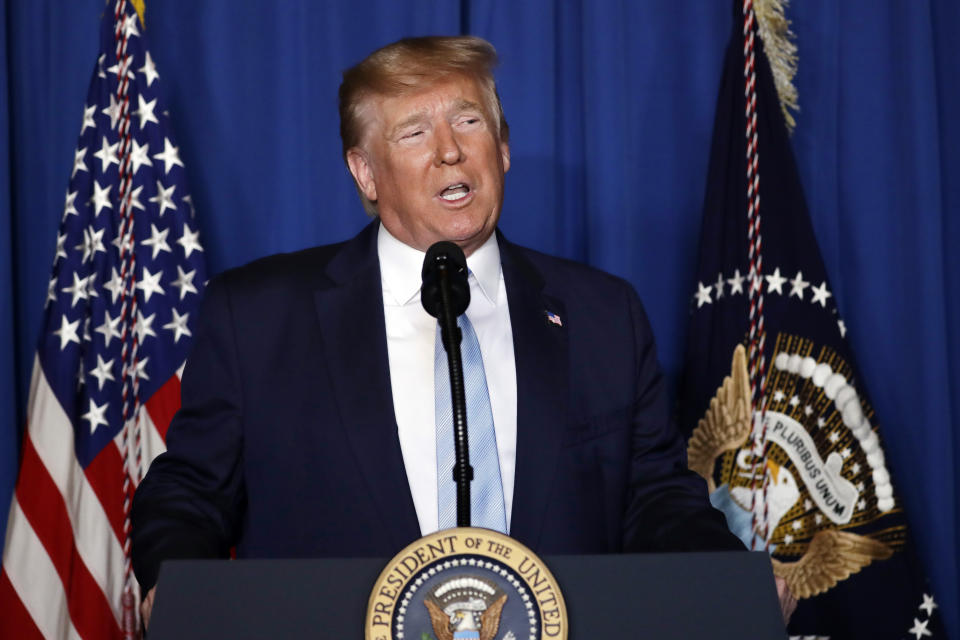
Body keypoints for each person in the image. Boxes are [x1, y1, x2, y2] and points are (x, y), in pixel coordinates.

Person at [132, 35, 793, 627]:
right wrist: (176, 585)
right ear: (365, 173)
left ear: (502, 149)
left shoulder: (601, 316)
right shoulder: (258, 317)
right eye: (414, 133)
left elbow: (655, 502)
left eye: (469, 122)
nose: (449, 150)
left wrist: (729, 584)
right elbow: (189, 491)